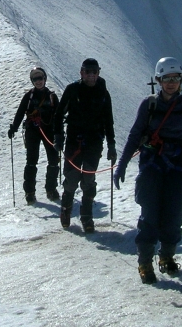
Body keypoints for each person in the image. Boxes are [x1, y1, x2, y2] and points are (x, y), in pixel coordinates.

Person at [114, 56, 182, 284]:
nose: (171, 83)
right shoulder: (149, 105)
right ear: (159, 80)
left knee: (173, 215)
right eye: (167, 79)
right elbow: (134, 136)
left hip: (178, 167)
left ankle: (167, 256)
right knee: (149, 215)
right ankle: (145, 262)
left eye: (175, 78)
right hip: (152, 166)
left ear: (181, 80)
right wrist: (121, 165)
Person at [53, 58, 116, 233]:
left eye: (94, 72)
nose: (91, 75)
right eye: (88, 71)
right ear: (81, 73)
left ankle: (87, 217)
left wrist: (111, 145)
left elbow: (108, 121)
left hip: (94, 143)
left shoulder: (103, 94)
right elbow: (59, 114)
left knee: (88, 179)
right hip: (74, 141)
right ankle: (66, 209)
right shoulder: (72, 90)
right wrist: (58, 137)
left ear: (98, 73)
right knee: (72, 179)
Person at [8, 67, 61, 205]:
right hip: (33, 131)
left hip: (48, 131)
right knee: (32, 161)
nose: (38, 81)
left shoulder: (52, 96)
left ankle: (50, 189)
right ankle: (31, 192)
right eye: (35, 79)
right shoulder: (29, 96)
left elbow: (59, 116)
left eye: (40, 78)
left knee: (53, 160)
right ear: (32, 81)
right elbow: (20, 112)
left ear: (44, 79)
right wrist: (14, 127)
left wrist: (60, 133)